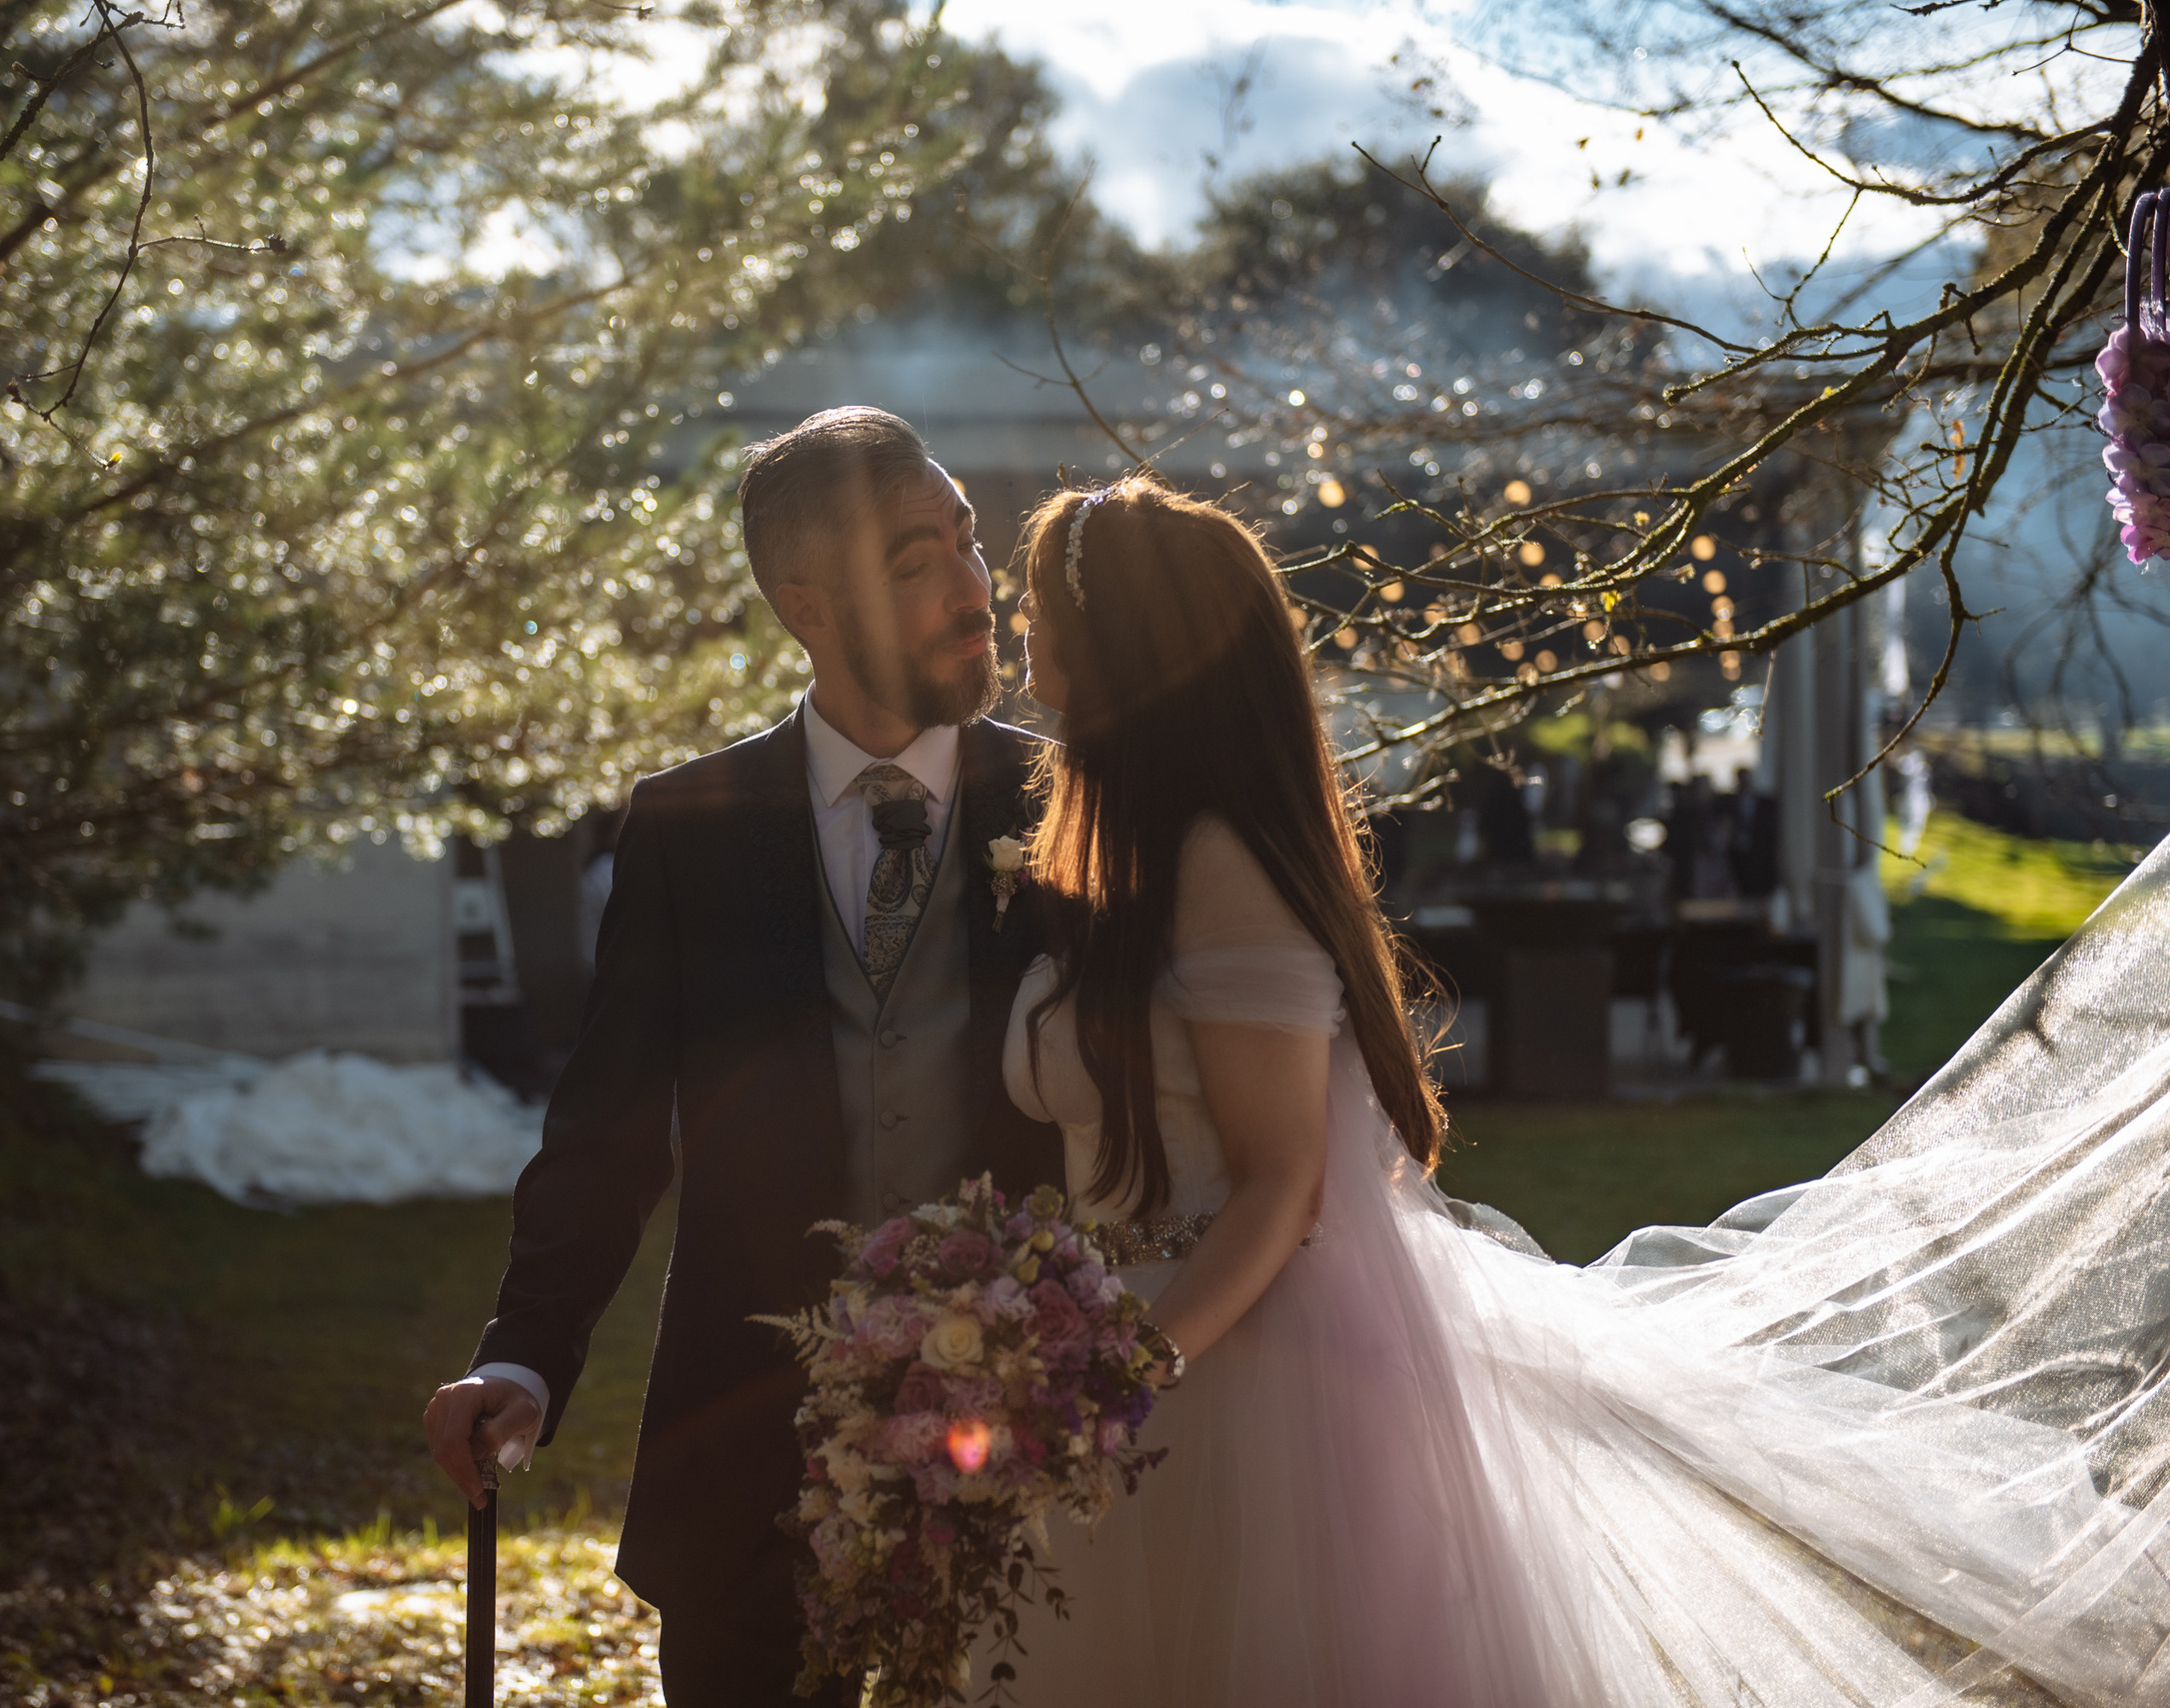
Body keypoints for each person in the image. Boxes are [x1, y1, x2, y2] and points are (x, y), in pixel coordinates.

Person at [993, 472, 2170, 1705]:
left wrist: (1122, 1376)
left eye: (1037, 611)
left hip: (1232, 1383)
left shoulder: (1217, 864)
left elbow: (1282, 1177)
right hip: (1125, 1349)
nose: (1024, 639)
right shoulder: (1113, 855)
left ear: (1112, 645)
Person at [422, 407, 1061, 1707]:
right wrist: (522, 1355)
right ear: (804, 603)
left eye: (967, 541)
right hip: (750, 1451)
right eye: (911, 562)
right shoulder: (688, 827)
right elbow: (607, 1127)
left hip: (1026, 1448)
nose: (970, 587)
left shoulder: (1072, 810)